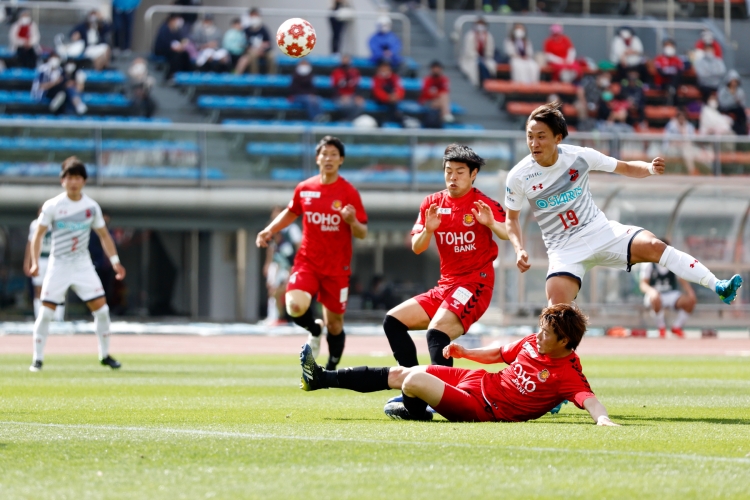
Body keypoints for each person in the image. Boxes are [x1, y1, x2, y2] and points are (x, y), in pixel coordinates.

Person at [504, 101, 743, 308]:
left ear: (558, 138)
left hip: (600, 231)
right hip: (563, 249)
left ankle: (718, 285)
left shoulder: (579, 157)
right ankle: (556, 360)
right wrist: (519, 248)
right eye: (530, 136)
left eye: (541, 136)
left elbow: (625, 167)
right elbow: (512, 218)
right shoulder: (519, 176)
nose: (534, 143)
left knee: (655, 246)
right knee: (556, 313)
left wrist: (649, 168)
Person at [300, 303, 619, 426]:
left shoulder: (567, 374)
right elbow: (497, 355)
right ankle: (320, 378)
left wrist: (602, 420)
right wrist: (465, 353)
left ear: (564, 342)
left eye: (546, 333)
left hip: (482, 409)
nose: (538, 335)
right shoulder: (531, 343)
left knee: (412, 382)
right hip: (475, 379)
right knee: (400, 373)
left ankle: (416, 411)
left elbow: (589, 399)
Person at [378, 144, 508, 412]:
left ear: (473, 175)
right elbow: (417, 246)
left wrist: (491, 224)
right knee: (392, 321)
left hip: (475, 284)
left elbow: (509, 232)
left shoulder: (484, 204)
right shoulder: (432, 203)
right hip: (446, 286)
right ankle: (415, 391)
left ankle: (444, 399)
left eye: (460, 172)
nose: (453, 177)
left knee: (436, 332)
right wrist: (428, 229)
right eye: (448, 171)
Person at [255, 136, 368, 370]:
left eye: (333, 154)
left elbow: (362, 232)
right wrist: (269, 230)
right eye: (324, 154)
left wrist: (352, 220)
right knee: (293, 305)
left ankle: (332, 368)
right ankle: (315, 329)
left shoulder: (348, 192)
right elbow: (290, 212)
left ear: (341, 160)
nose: (328, 158)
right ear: (317, 158)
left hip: (337, 268)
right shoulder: (305, 188)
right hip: (308, 262)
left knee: (335, 325)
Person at [28, 157, 127, 372]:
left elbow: (104, 236)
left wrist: (115, 261)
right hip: (58, 265)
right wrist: (35, 263)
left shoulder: (91, 207)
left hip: (82, 265)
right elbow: (37, 236)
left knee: (102, 311)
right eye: (69, 177)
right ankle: (37, 359)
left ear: (84, 181)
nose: (73, 182)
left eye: (78, 178)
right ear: (63, 181)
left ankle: (105, 355)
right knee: (45, 314)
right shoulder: (53, 205)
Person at [639, 241, 696, 338]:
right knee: (656, 298)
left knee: (690, 301)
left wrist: (690, 293)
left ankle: (676, 327)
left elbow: (681, 279)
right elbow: (643, 284)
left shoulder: (673, 263)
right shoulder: (649, 263)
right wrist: (651, 291)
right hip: (655, 294)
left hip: (671, 294)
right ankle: (661, 328)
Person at [262, 206, 302, 325]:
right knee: (272, 290)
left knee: (289, 291)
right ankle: (273, 316)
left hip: (288, 265)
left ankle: (291, 317)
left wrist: (297, 265)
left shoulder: (292, 229)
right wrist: (267, 263)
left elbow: (299, 246)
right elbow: (270, 247)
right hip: (277, 264)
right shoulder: (272, 229)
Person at [24, 209, 65, 322]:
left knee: (58, 288)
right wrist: (28, 262)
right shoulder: (35, 224)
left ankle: (58, 317)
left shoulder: (58, 223)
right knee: (39, 289)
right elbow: (30, 243)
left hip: (54, 259)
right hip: (40, 259)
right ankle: (39, 316)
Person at [235, 8, 275, 75]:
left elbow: (269, 43)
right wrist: (252, 49)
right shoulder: (246, 30)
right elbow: (244, 44)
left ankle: (272, 77)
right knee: (252, 56)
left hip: (263, 51)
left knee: (271, 56)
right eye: (252, 16)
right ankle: (254, 76)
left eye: (256, 15)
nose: (254, 18)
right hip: (252, 51)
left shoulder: (263, 29)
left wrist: (263, 49)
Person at [459, 17, 496, 87]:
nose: (480, 27)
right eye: (478, 24)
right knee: (479, 64)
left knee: (491, 65)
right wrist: (477, 57)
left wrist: (486, 56)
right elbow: (468, 50)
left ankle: (488, 83)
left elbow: (490, 49)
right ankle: (485, 82)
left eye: (482, 24)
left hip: (485, 57)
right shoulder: (470, 35)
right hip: (471, 58)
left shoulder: (488, 36)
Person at [153, 14, 191, 82]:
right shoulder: (164, 28)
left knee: (185, 54)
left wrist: (181, 45)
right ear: (171, 20)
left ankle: (185, 75)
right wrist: (173, 47)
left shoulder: (176, 30)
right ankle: (170, 76)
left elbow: (179, 40)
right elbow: (164, 42)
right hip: (162, 49)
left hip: (174, 50)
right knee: (175, 56)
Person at [664, 107, 699, 175]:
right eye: (680, 116)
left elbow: (692, 140)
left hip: (686, 149)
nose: (681, 118)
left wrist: (683, 133)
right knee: (685, 150)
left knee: (687, 150)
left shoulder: (689, 126)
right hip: (672, 149)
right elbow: (666, 139)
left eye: (683, 116)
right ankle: (692, 170)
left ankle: (692, 171)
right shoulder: (671, 125)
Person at [418, 61, 453, 127]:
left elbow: (445, 91)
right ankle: (445, 114)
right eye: (434, 68)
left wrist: (435, 93)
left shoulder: (444, 79)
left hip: (438, 101)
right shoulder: (427, 80)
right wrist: (436, 94)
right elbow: (426, 94)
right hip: (427, 102)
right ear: (431, 69)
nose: (436, 70)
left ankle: (444, 114)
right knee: (444, 97)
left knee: (444, 96)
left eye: (438, 68)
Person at [331, 54, 364, 121]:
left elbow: (357, 86)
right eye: (344, 60)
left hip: (352, 95)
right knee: (346, 105)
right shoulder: (336, 72)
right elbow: (333, 87)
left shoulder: (355, 72)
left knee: (360, 104)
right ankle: (344, 119)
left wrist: (358, 96)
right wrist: (341, 96)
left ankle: (351, 120)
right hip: (339, 96)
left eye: (347, 60)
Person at [372, 61, 405, 126]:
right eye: (383, 67)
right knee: (392, 105)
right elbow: (377, 91)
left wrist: (396, 95)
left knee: (393, 104)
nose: (384, 69)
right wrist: (387, 97)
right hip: (381, 100)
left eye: (386, 67)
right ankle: (395, 118)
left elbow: (400, 89)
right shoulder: (377, 78)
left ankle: (390, 120)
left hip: (393, 99)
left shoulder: (395, 77)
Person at [653, 39, 683, 105]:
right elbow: (661, 72)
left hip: (673, 84)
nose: (669, 48)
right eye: (667, 46)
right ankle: (671, 89)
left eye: (670, 46)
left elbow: (680, 71)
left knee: (675, 79)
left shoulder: (677, 59)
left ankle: (672, 89)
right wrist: (670, 71)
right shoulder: (659, 58)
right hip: (662, 83)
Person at [717, 70, 747, 136]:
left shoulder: (740, 91)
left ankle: (743, 132)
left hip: (738, 111)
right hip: (726, 110)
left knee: (741, 112)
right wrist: (733, 101)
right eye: (733, 80)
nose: (734, 83)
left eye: (735, 81)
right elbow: (722, 103)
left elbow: (743, 104)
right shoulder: (723, 91)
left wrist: (737, 102)